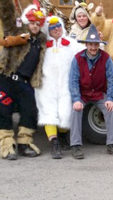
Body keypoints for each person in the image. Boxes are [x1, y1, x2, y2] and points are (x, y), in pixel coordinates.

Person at [0, 0, 47, 160]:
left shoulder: (42, 42)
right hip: (6, 77)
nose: (34, 26)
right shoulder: (16, 31)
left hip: (25, 83)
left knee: (30, 110)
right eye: (32, 22)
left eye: (38, 24)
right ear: (27, 22)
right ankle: (7, 144)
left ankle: (25, 142)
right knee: (2, 110)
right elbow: (7, 14)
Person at [69, 24, 113, 159]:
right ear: (86, 44)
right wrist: (76, 99)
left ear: (99, 45)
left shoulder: (106, 58)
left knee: (111, 109)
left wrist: (111, 98)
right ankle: (75, 146)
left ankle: (112, 145)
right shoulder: (77, 59)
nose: (93, 48)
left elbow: (112, 78)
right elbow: (73, 81)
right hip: (83, 94)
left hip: (99, 94)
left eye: (96, 44)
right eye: (91, 44)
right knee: (75, 110)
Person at [35, 16, 84, 159]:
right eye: (52, 27)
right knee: (49, 113)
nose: (56, 29)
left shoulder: (71, 43)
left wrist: (99, 42)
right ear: (48, 30)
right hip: (46, 85)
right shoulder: (42, 45)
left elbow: (85, 51)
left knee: (65, 112)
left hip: (65, 85)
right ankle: (54, 142)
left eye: (58, 26)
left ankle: (63, 135)